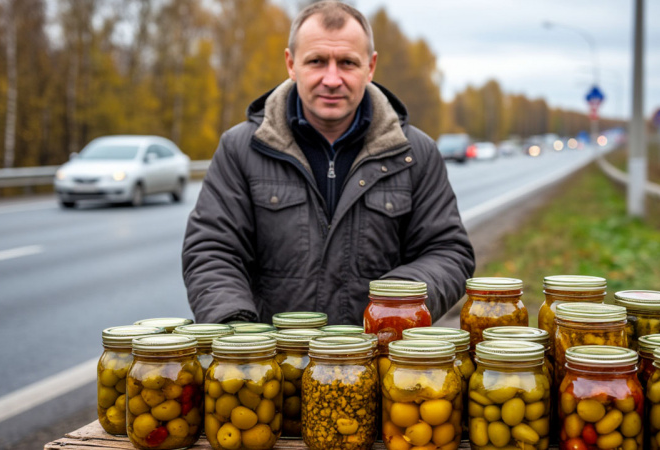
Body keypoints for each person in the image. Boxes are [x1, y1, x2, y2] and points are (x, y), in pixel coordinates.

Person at [182, 1, 474, 325]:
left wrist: (399, 301)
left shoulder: (415, 154)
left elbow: (448, 251)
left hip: (377, 364)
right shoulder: (241, 149)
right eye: (317, 61)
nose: (332, 79)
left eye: (347, 63)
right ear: (291, 64)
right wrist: (240, 340)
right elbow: (212, 251)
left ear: (370, 66)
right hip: (273, 367)